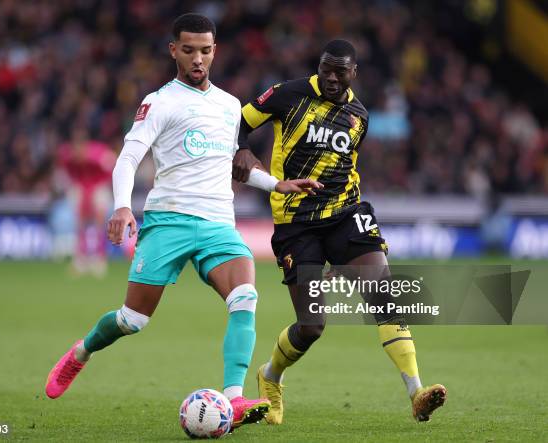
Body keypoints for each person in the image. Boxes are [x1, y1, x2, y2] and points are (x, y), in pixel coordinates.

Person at [44, 13, 321, 430]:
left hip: (217, 223)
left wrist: (276, 185)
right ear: (174, 50)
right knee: (132, 320)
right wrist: (122, 206)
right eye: (188, 50)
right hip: (169, 221)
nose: (197, 59)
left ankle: (234, 400)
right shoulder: (160, 101)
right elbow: (129, 157)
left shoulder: (229, 106)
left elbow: (232, 163)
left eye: (205, 50)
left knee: (245, 297)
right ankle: (80, 353)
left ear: (215, 51)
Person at [233, 39, 447, 424]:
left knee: (382, 292)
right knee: (312, 326)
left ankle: (416, 391)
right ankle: (270, 375)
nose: (331, 78)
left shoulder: (358, 115)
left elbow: (344, 165)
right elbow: (239, 123)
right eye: (325, 69)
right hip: (296, 222)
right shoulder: (288, 94)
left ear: (354, 74)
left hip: (345, 213)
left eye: (340, 72)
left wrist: (342, 251)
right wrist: (242, 150)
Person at [56, 126, 115, 276]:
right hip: (81, 185)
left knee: (99, 220)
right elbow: (67, 173)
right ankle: (80, 258)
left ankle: (99, 257)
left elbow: (112, 166)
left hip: (98, 184)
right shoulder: (67, 155)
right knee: (80, 221)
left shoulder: (99, 153)